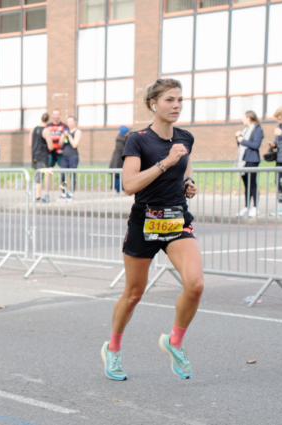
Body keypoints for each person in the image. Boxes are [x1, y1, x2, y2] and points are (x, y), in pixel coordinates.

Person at [103, 78, 203, 381]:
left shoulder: (185, 137)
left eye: (180, 100)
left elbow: (185, 166)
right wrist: (164, 162)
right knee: (134, 293)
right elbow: (129, 185)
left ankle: (175, 343)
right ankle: (114, 349)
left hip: (176, 221)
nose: (176, 106)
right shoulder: (138, 139)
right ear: (153, 104)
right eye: (169, 100)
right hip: (144, 222)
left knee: (196, 284)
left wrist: (187, 182)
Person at [234, 111, 263, 217]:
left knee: (252, 184)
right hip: (243, 160)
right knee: (246, 185)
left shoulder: (257, 129)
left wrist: (243, 140)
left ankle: (255, 207)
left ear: (249, 118)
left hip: (252, 160)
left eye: (244, 117)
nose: (242, 119)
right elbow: (241, 146)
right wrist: (238, 138)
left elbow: (256, 145)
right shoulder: (245, 130)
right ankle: (246, 207)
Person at [29, 113, 53, 202]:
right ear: (48, 120)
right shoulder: (46, 130)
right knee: (42, 176)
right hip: (42, 156)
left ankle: (35, 196)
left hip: (34, 155)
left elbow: (30, 144)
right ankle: (37, 197)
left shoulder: (33, 129)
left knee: (36, 176)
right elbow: (50, 146)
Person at [59, 116, 81, 201]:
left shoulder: (77, 131)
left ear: (75, 122)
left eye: (71, 122)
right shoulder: (65, 131)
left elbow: (74, 144)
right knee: (63, 175)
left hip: (73, 156)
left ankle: (71, 194)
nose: (69, 124)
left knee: (72, 174)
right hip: (65, 156)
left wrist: (68, 136)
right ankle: (63, 193)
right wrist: (63, 135)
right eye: (68, 122)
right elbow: (60, 143)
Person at [110, 126, 129, 193]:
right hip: (118, 160)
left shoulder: (124, 138)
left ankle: (119, 189)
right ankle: (119, 189)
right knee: (117, 174)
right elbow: (122, 149)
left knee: (118, 174)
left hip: (120, 159)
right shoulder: (120, 139)